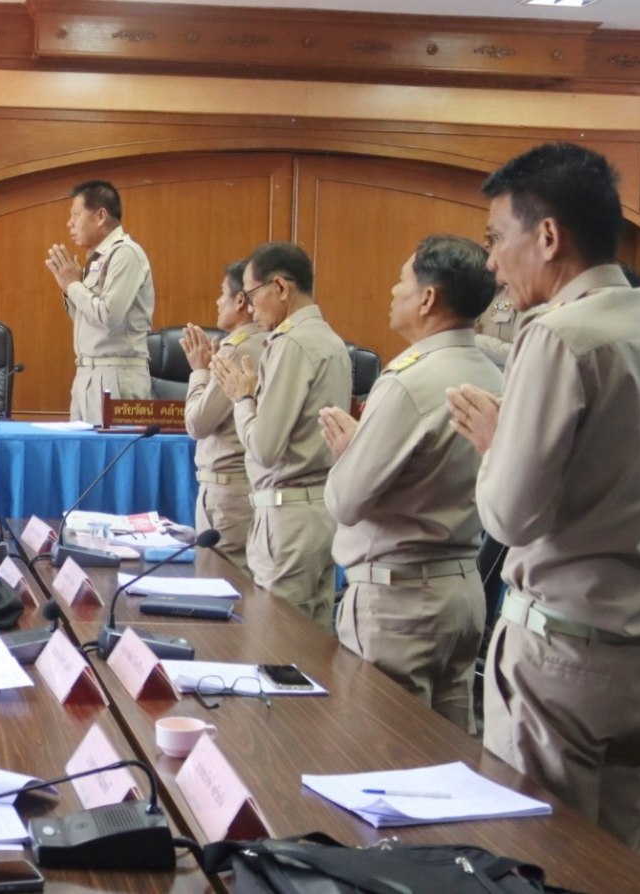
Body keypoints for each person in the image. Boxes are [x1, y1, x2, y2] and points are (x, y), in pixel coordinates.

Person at [447, 143, 640, 853]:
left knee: (539, 855)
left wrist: (495, 446)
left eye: (496, 238)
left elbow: (511, 515)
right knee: (622, 858)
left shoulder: (558, 335)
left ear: (547, 237)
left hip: (560, 655)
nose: (489, 261)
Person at [320, 236, 502, 732]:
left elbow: (345, 501)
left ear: (427, 298)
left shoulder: (408, 380)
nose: (393, 291)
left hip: (399, 601)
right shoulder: (493, 373)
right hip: (462, 591)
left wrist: (352, 455)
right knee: (449, 771)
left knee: (379, 767)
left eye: (402, 281)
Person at [211, 242, 351, 626]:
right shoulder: (331, 340)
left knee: (275, 648)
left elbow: (265, 448)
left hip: (288, 519)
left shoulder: (290, 343)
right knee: (312, 649)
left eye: (253, 296)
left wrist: (242, 398)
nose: (251, 309)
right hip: (318, 510)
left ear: (281, 288)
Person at [180, 260, 269, 569]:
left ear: (241, 300)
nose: (218, 302)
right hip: (251, 487)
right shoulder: (271, 342)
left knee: (217, 590)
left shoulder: (234, 351)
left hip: (226, 494)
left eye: (222, 294)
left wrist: (200, 372)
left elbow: (197, 424)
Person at [45, 180, 154, 424]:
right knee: (84, 459)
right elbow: (87, 318)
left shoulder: (126, 253)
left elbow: (109, 316)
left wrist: (72, 285)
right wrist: (71, 287)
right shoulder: (97, 259)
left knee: (115, 458)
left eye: (76, 214)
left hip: (117, 375)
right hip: (87, 373)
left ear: (101, 215)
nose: (69, 223)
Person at [472, 287, 516, 369]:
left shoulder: (520, 298)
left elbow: (523, 354)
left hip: (503, 378)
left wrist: (477, 340)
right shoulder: (481, 295)